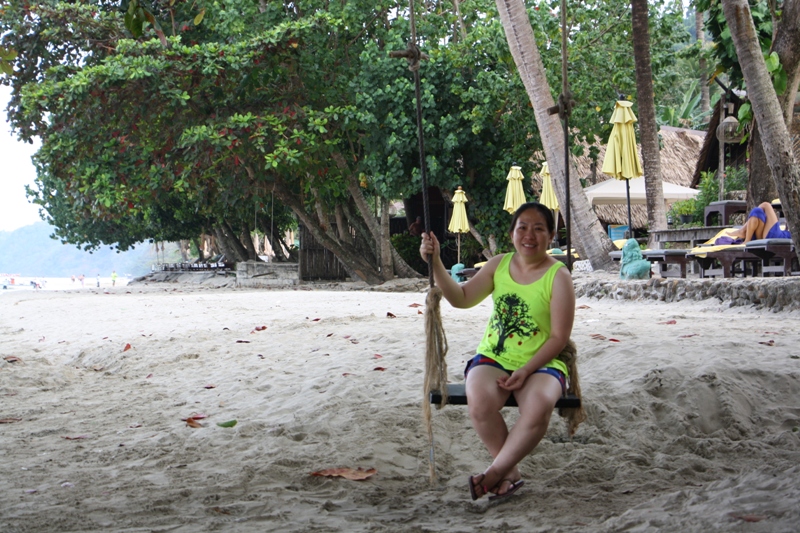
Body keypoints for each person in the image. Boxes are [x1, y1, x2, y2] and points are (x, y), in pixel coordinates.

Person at [419, 202, 575, 501]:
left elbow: (559, 337)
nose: (529, 235)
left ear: (551, 236)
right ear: (512, 233)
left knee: (539, 405)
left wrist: (526, 370)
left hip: (542, 362)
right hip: (494, 357)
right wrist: (436, 262)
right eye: (522, 228)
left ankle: (493, 473)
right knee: (479, 401)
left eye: (539, 229)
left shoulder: (558, 276)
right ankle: (510, 474)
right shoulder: (499, 265)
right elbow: (462, 298)